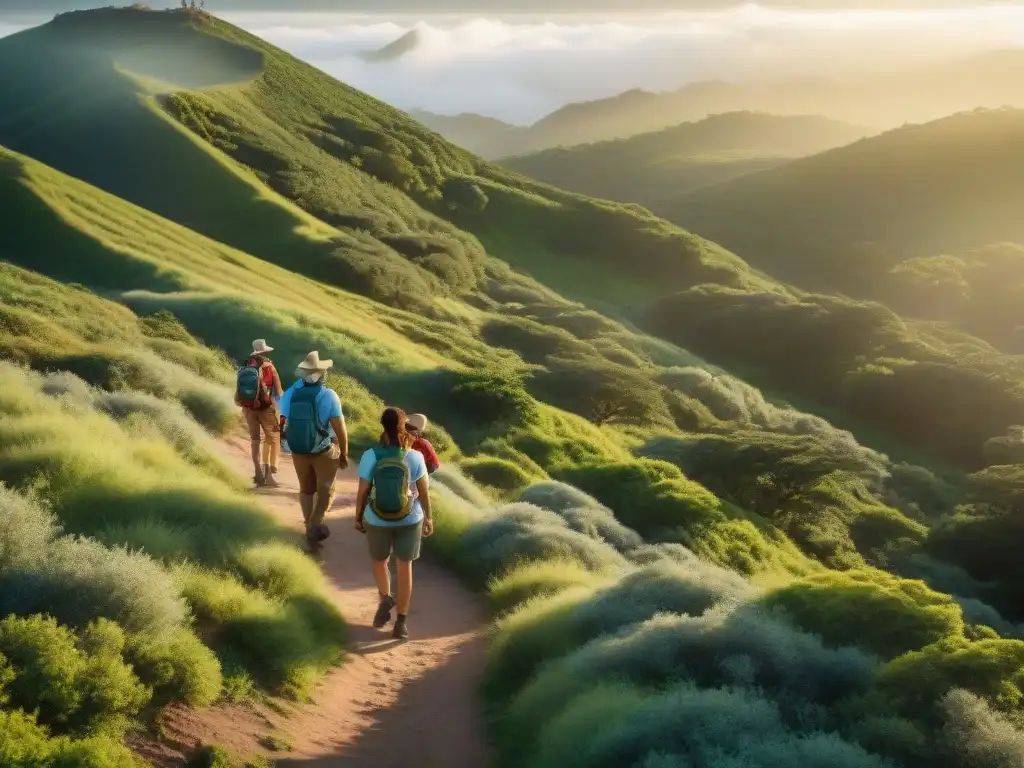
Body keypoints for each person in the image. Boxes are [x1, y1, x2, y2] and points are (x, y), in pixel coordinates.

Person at [354, 407, 434, 640]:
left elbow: (362, 492)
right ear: (403, 426)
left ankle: (385, 597)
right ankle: (401, 623)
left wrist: (358, 516)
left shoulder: (371, 454)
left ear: (383, 425)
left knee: (380, 561)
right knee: (404, 567)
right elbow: (424, 492)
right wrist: (429, 517)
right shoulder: (415, 456)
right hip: (409, 518)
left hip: (377, 518)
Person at [278, 351, 349, 548]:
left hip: (298, 449)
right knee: (326, 488)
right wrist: (343, 452)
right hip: (322, 451)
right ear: (321, 374)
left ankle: (308, 524)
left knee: (306, 490)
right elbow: (339, 428)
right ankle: (315, 525)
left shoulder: (290, 393)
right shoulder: (328, 395)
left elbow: (284, 421)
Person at [235, 339, 284, 488]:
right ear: (265, 352)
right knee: (273, 437)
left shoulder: (245, 366)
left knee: (255, 440)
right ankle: (270, 471)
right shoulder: (270, 366)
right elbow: (279, 391)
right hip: (265, 409)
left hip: (249, 409)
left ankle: (258, 472)